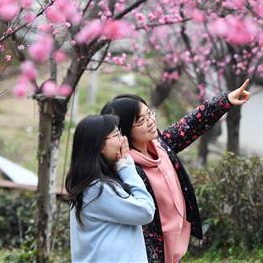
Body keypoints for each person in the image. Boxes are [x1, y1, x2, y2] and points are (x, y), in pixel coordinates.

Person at [101, 79, 251, 263]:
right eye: (141, 121)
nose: (150, 122)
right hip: (150, 254)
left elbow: (190, 125)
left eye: (149, 114)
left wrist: (225, 101)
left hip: (175, 247)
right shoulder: (126, 170)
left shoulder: (161, 146)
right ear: (124, 131)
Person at [65, 114, 156, 263]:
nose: (123, 139)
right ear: (100, 145)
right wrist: (127, 168)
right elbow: (146, 211)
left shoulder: (91, 186)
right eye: (116, 134)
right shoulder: (98, 190)